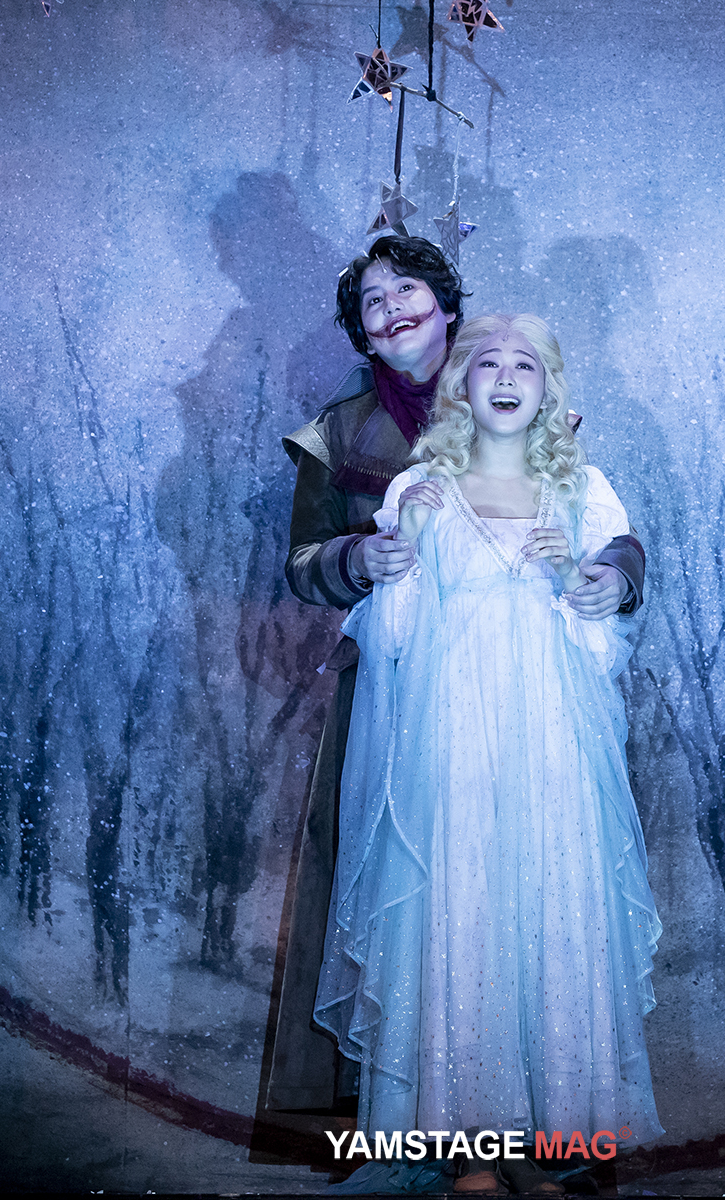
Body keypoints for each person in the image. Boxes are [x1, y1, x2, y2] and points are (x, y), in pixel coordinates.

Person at [270, 239, 646, 1114]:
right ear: (361, 332)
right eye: (372, 302)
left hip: (535, 702)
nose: (392, 308)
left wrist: (607, 577)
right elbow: (305, 560)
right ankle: (418, 1117)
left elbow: (600, 532)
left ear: (446, 306)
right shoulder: (342, 433)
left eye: (407, 289)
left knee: (541, 892)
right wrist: (363, 558)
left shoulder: (516, 392)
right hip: (407, 692)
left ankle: (547, 1117)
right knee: (412, 895)